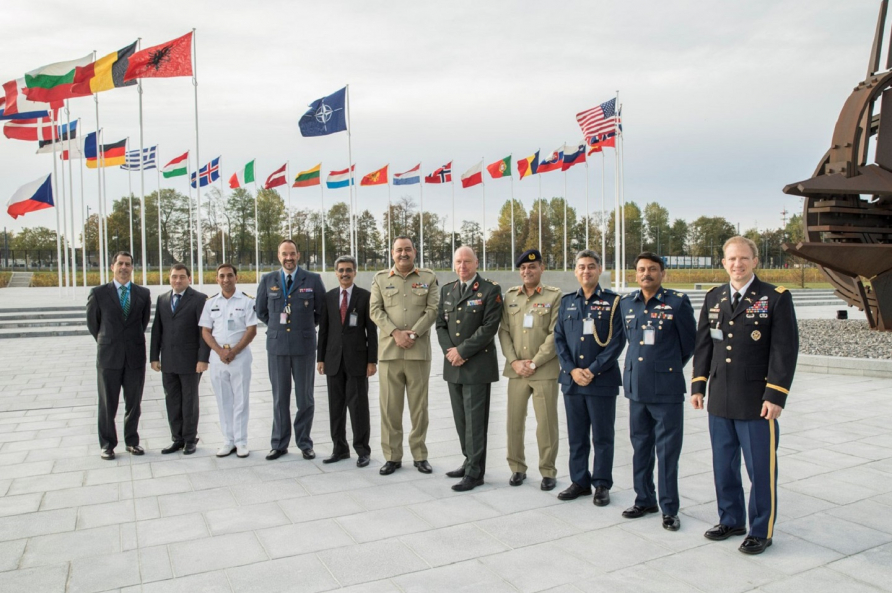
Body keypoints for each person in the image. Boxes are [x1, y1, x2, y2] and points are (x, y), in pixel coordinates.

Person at [691, 236, 798, 555]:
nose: (736, 264)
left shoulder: (775, 297)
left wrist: (776, 395)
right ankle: (731, 519)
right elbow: (704, 346)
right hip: (720, 399)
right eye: (730, 259)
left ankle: (760, 530)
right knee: (723, 465)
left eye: (743, 258)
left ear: (755, 261)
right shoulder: (713, 297)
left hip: (757, 402)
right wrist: (698, 386)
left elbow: (784, 350)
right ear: (723, 263)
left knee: (760, 470)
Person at [620, 252, 696, 531]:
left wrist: (667, 368)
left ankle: (669, 508)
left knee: (667, 452)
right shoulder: (627, 303)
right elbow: (628, 341)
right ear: (635, 274)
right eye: (641, 269)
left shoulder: (677, 302)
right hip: (636, 389)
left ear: (662, 273)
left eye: (652, 269)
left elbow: (689, 344)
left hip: (666, 390)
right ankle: (644, 499)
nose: (646, 274)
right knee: (640, 447)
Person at [553, 249, 624, 506]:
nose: (586, 271)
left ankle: (602, 483)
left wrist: (592, 370)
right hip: (572, 381)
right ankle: (579, 481)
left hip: (601, 381)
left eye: (591, 266)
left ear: (599, 269)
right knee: (577, 435)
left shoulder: (614, 302)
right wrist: (572, 370)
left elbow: (616, 343)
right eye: (581, 267)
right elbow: (558, 338)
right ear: (575, 271)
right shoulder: (566, 301)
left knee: (603, 436)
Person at [369, 236, 439, 475]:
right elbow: (375, 310)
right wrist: (395, 333)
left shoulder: (428, 278)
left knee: (419, 408)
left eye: (407, 249)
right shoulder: (380, 279)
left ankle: (420, 455)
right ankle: (392, 456)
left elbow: (433, 310)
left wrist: (414, 334)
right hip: (390, 353)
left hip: (418, 353)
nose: (403, 254)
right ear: (392, 253)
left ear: (415, 251)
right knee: (390, 408)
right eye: (399, 250)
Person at [436, 246, 501, 492]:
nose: (462, 266)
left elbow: (489, 327)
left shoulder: (489, 290)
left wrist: (462, 351)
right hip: (453, 364)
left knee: (475, 421)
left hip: (477, 365)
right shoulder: (447, 290)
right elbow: (440, 325)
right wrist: (450, 352)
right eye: (458, 261)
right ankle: (468, 460)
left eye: (467, 261)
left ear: (476, 263)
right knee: (461, 419)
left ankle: (475, 472)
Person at [498, 249, 562, 491]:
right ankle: (517, 467)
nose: (527, 271)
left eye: (532, 267)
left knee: (546, 423)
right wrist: (515, 362)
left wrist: (534, 362)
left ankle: (547, 470)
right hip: (516, 371)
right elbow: (503, 331)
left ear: (541, 268)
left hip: (543, 370)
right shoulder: (510, 296)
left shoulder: (554, 296)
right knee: (514, 421)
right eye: (523, 268)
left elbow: (556, 333)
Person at [256, 239, 325, 461]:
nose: (289, 258)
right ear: (279, 256)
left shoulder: (312, 280)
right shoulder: (268, 280)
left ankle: (304, 442)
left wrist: (303, 327)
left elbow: (320, 311)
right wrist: (277, 327)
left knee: (305, 397)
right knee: (279, 398)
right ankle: (279, 443)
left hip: (303, 345)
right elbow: (261, 310)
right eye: (284, 254)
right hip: (277, 347)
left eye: (292, 254)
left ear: (298, 255)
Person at [86, 251, 151, 460]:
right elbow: (93, 324)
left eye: (128, 264)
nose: (124, 267)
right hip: (109, 357)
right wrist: (109, 341)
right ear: (112, 266)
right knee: (108, 403)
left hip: (134, 357)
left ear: (133, 268)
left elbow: (142, 323)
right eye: (120, 264)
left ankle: (132, 441)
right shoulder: (98, 293)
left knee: (134, 403)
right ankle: (107, 444)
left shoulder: (143, 293)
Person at [316, 255, 377, 468]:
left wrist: (372, 361)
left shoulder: (365, 297)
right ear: (336, 272)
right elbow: (323, 330)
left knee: (359, 407)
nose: (344, 274)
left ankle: (362, 450)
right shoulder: (329, 297)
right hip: (333, 361)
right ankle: (339, 448)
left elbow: (372, 331)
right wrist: (320, 358)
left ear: (355, 272)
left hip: (357, 361)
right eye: (341, 270)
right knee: (336, 407)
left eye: (348, 270)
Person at [150, 263, 210, 455]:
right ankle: (177, 438)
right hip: (168, 360)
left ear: (189, 279)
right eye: (174, 276)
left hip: (191, 361)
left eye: (182, 277)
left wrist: (203, 359)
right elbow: (157, 330)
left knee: (189, 401)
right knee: (172, 400)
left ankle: (190, 439)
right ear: (169, 278)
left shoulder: (199, 299)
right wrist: (154, 357)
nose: (178, 280)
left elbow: (204, 332)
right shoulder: (162, 299)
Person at [199, 264, 257, 458]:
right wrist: (219, 352)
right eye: (222, 276)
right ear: (217, 279)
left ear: (236, 277)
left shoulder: (247, 301)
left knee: (241, 400)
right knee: (224, 400)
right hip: (218, 359)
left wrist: (234, 352)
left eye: (230, 275)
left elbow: (251, 330)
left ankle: (241, 441)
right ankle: (228, 440)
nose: (226, 279)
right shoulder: (210, 303)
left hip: (240, 357)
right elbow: (205, 331)